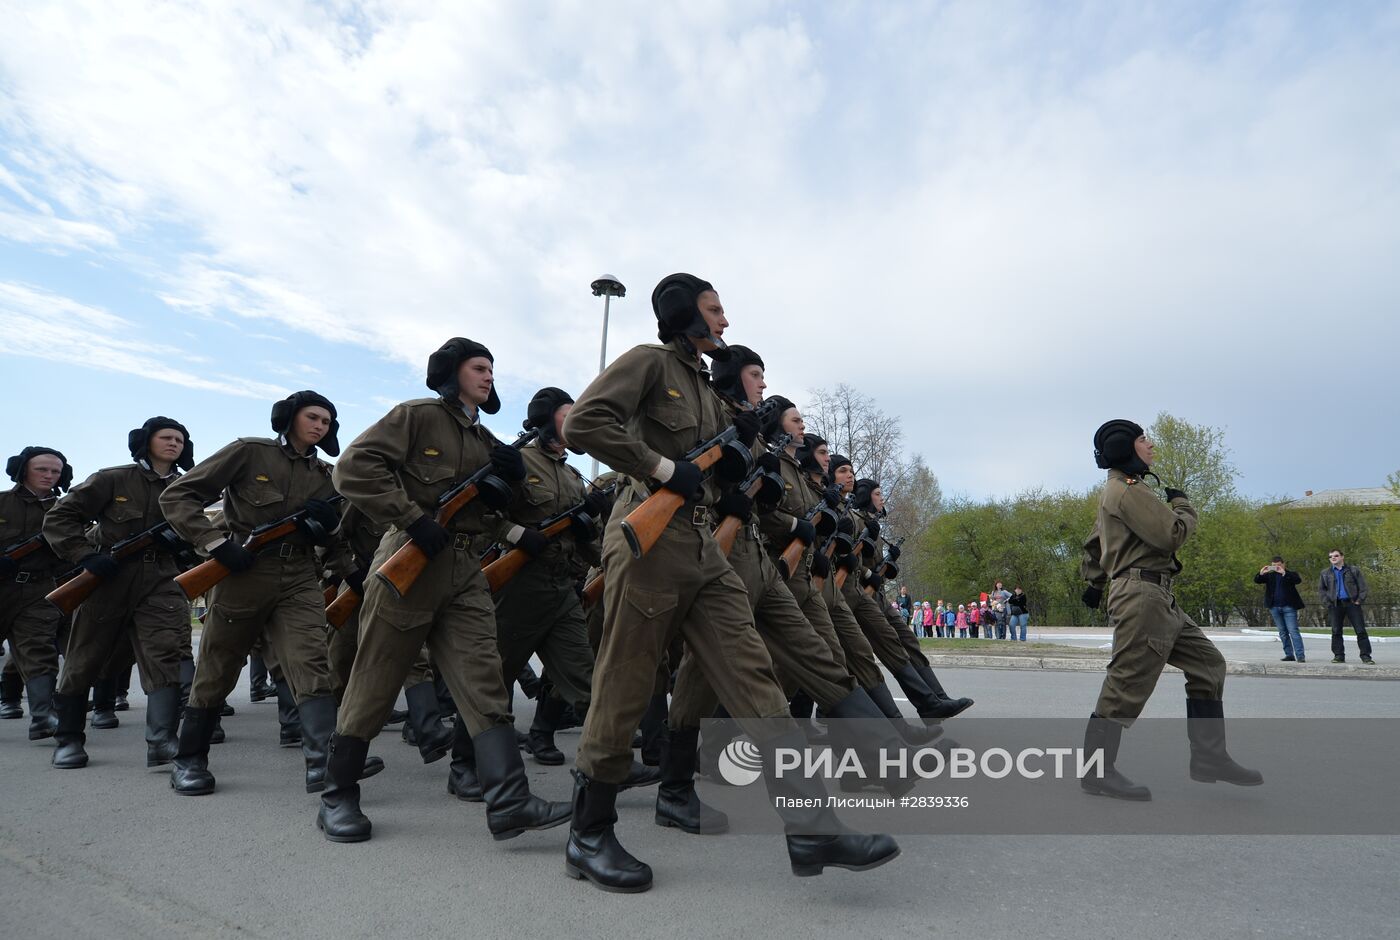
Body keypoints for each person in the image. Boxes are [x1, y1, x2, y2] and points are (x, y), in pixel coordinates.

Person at [562, 274, 897, 892]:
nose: (725, 321)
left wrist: (751, 449)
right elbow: (584, 425)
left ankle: (812, 827)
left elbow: (720, 469)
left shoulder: (705, 386)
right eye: (716, 310)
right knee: (626, 682)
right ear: (685, 312)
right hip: (649, 539)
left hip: (702, 545)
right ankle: (589, 833)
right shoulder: (647, 363)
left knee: (754, 676)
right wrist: (665, 467)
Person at [319, 338, 571, 844]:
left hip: (464, 568)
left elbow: (507, 516)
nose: (489, 376)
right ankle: (336, 796)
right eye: (479, 368)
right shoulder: (418, 417)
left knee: (484, 681)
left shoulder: (489, 442)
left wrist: (514, 478)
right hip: (409, 559)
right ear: (452, 373)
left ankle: (509, 801)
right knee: (375, 680)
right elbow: (352, 469)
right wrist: (412, 517)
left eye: (493, 370)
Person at [161, 391, 386, 797]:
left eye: (327, 421)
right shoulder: (250, 452)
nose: (320, 425)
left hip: (300, 574)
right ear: (289, 417)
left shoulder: (326, 475)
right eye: (312, 417)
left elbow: (335, 540)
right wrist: (215, 543)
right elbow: (178, 496)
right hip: (243, 571)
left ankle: (322, 763)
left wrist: (346, 561)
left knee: (311, 661)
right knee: (218, 666)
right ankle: (189, 760)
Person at [1079, 419, 1261, 801]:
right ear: (1126, 449)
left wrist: (1095, 583)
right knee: (1126, 682)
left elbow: (1095, 542)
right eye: (1144, 440)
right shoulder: (1127, 491)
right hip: (1143, 595)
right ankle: (1096, 773)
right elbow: (1172, 534)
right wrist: (1182, 504)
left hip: (1159, 596)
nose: (1151, 444)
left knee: (1209, 665)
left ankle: (1209, 759)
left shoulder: (1121, 490)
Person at [44, 418, 198, 770]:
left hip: (161, 577)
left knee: (166, 653)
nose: (173, 443)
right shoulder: (112, 478)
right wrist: (86, 556)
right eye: (166, 437)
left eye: (179, 439)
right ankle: (68, 738)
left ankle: (161, 741)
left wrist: (184, 545)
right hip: (110, 577)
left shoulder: (186, 487)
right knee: (84, 657)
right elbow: (60, 517)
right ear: (146, 441)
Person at [0, 446, 74, 741]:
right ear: (23, 470)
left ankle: (43, 717)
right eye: (42, 469)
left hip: (39, 588)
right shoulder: (3, 503)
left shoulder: (66, 509)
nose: (49, 475)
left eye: (55, 471)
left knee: (40, 650)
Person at [1318, 550, 1373, 665]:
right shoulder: (1325, 573)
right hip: (1335, 605)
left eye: (1336, 555)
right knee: (1336, 631)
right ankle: (1338, 656)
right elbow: (1322, 590)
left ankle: (1366, 656)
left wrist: (1359, 600)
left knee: (1360, 630)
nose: (1333, 558)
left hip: (1352, 603)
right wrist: (1327, 603)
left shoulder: (1353, 570)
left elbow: (1362, 587)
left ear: (1342, 557)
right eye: (1331, 556)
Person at [1254, 557, 1305, 662]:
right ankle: (1289, 654)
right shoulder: (1270, 576)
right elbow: (1257, 580)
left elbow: (1297, 580)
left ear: (1283, 564)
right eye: (1274, 565)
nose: (1276, 567)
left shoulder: (1290, 574)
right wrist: (1261, 573)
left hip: (1289, 607)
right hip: (1275, 607)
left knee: (1293, 631)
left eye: (1278, 565)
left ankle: (1300, 655)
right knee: (1282, 632)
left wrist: (1284, 573)